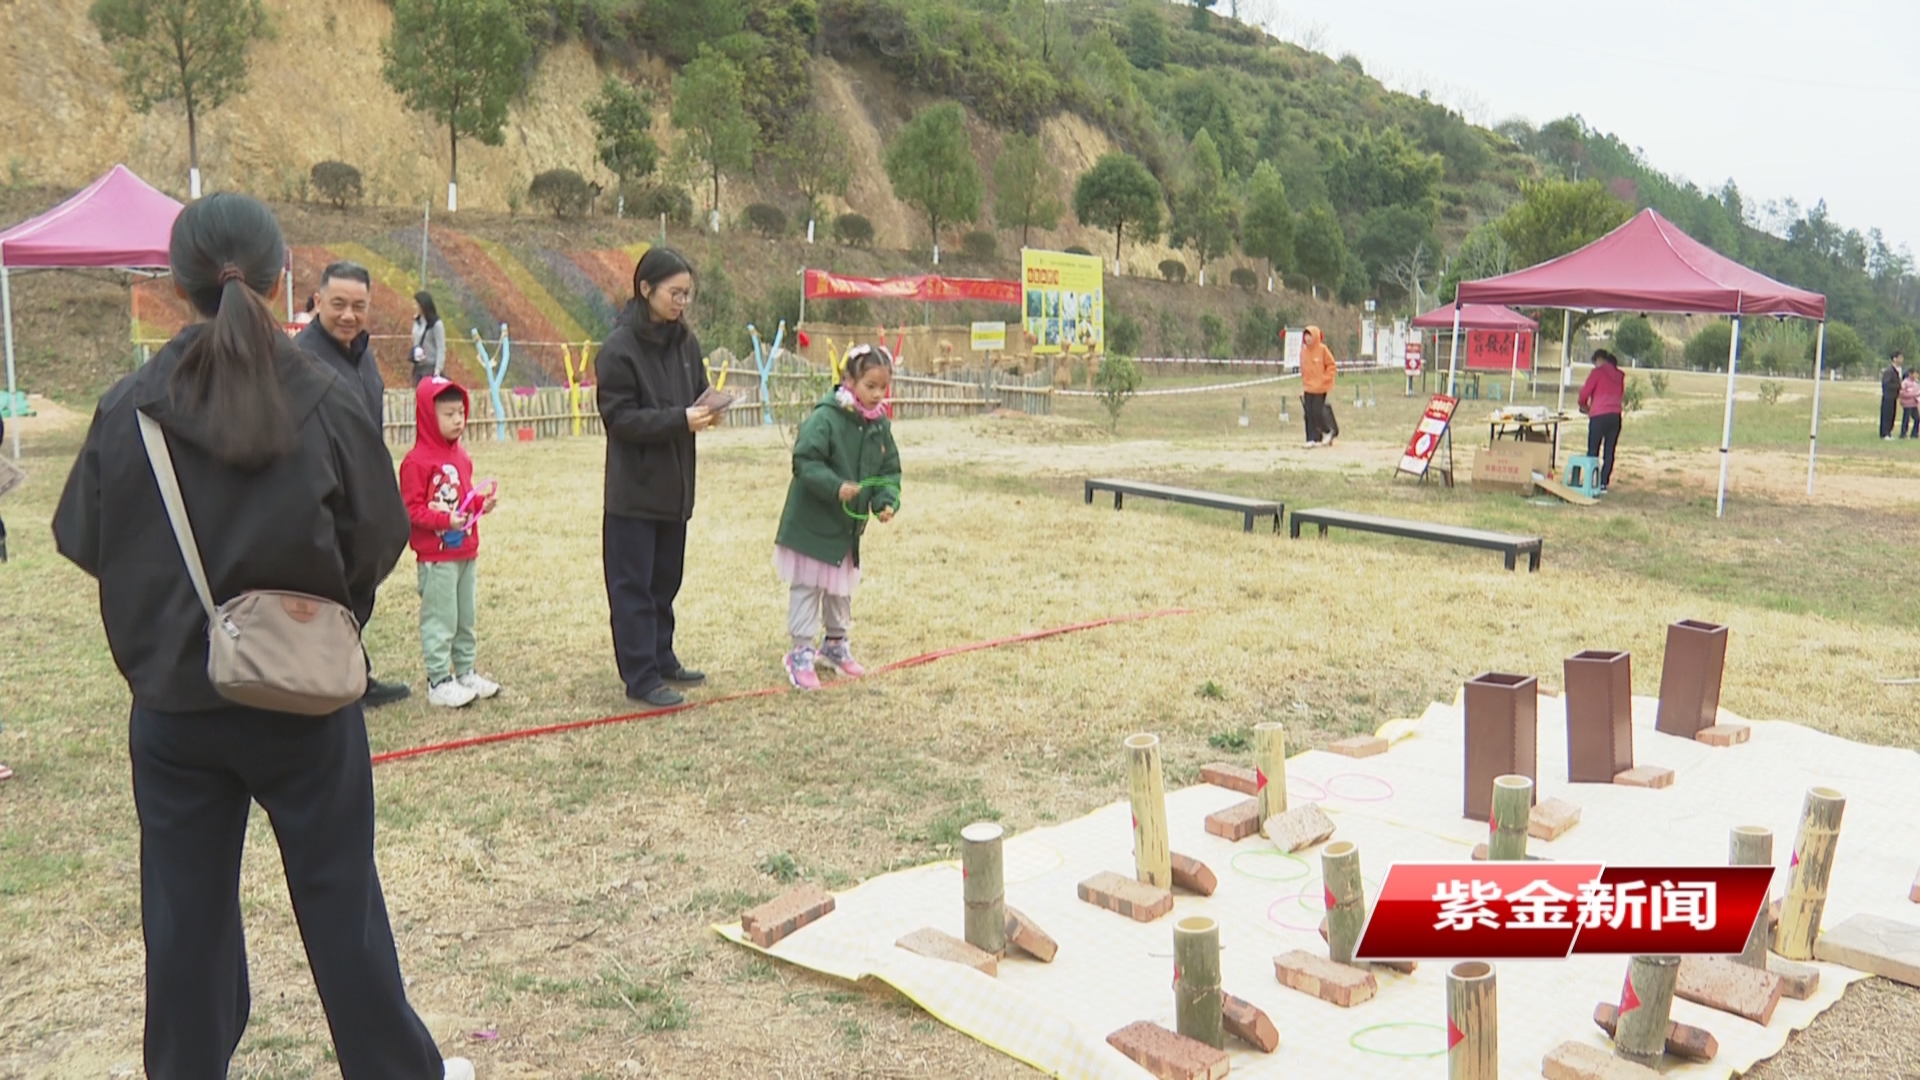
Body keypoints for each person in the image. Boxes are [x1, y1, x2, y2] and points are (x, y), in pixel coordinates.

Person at [50, 193, 472, 1080]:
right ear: (285, 279)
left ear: (178, 282)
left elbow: (85, 539)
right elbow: (378, 536)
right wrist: (318, 611)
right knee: (343, 911)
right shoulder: (324, 399)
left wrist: (173, 610)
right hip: (304, 698)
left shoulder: (129, 407)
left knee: (183, 925)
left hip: (174, 703)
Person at [596, 247, 715, 707]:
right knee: (633, 589)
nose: (681, 302)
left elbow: (696, 393)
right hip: (634, 492)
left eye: (687, 294)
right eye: (674, 293)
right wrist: (679, 420)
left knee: (665, 582)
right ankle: (641, 676)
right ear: (645, 289)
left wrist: (710, 407)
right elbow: (620, 419)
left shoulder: (685, 343)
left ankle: (663, 658)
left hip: (675, 486)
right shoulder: (619, 349)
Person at [295, 262, 412, 707]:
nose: (349, 315)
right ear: (318, 301)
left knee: (360, 589)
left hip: (366, 492)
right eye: (339, 304)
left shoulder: (362, 353)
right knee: (330, 593)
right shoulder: (302, 359)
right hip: (325, 494)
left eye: (358, 306)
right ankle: (333, 684)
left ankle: (354, 674)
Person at [773, 344, 901, 690]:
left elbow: (888, 470)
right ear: (849, 381)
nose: (877, 395)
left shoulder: (878, 425)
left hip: (846, 529)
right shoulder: (826, 418)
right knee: (808, 587)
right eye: (870, 386)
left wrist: (885, 501)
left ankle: (835, 644)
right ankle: (800, 651)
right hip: (812, 525)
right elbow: (805, 460)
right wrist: (834, 487)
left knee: (840, 589)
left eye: (883, 387)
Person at [401, 375, 501, 708]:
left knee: (464, 618)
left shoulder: (462, 457)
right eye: (449, 414)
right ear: (429, 416)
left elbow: (464, 498)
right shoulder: (416, 462)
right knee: (440, 619)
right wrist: (445, 521)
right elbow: (412, 509)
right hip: (437, 558)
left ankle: (466, 671)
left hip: (465, 552)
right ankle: (439, 681)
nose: (458, 419)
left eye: (461, 412)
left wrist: (480, 504)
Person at [1578, 348, 1626, 493]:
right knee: (1609, 451)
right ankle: (1604, 482)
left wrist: (1584, 406)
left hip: (1599, 414)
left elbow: (1584, 393)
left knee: (1593, 449)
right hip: (1615, 415)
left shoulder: (1597, 373)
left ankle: (1590, 480)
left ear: (1599, 359)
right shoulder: (1619, 376)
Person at [1300, 325, 1339, 447]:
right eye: (1306, 336)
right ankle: (1311, 438)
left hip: (1320, 388)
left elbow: (1331, 366)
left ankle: (1328, 431)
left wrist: (1324, 379)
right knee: (1308, 414)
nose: (1307, 338)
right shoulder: (1303, 351)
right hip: (1308, 387)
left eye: (1310, 336)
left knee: (1317, 412)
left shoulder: (1323, 350)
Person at [411, 290, 446, 386]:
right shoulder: (417, 322)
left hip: (430, 366)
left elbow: (441, 347)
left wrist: (438, 369)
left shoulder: (436, 324)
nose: (414, 307)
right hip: (418, 366)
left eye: (416, 304)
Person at [1884, 352, 1907, 441]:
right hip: (1888, 396)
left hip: (1893, 396)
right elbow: (1887, 384)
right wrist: (1899, 386)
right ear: (1894, 359)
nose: (1902, 360)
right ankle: (1885, 433)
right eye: (1900, 358)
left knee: (1892, 415)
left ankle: (1889, 432)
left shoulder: (1897, 370)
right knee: (1887, 415)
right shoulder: (1889, 371)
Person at [1901, 367, 1920, 440]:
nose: (1916, 375)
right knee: (1906, 419)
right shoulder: (1905, 383)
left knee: (1917, 418)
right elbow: (1902, 394)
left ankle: (1914, 434)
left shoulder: (1916, 383)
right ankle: (1903, 434)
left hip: (1914, 404)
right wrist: (1913, 395)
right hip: (1907, 404)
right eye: (1915, 373)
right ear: (1910, 374)